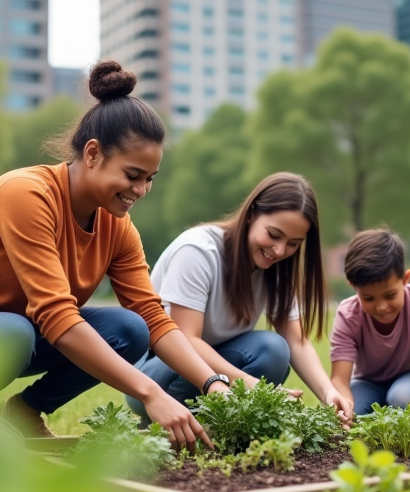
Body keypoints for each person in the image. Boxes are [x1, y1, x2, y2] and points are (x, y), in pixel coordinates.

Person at [0, 61, 217, 449]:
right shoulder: (27, 195)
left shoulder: (117, 225)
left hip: (18, 332)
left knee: (129, 330)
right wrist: (151, 393)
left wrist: (213, 384)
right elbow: (56, 315)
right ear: (92, 154)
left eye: (149, 179)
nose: (141, 190)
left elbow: (153, 318)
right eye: (132, 175)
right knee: (15, 333)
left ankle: (22, 412)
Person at [128, 173, 353, 421]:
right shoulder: (198, 251)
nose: (279, 250)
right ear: (252, 214)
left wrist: (328, 393)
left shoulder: (277, 267)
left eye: (293, 243)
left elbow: (296, 341)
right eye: (274, 235)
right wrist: (252, 386)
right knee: (265, 353)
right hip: (159, 371)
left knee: (273, 350)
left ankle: (219, 422)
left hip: (215, 371)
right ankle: (172, 416)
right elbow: (186, 339)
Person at [329, 229, 410, 416]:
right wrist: (345, 407)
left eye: (390, 295)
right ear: (353, 286)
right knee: (352, 407)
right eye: (368, 298)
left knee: (402, 398)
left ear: (405, 279)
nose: (382, 307)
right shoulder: (348, 313)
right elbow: (340, 380)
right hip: (367, 382)